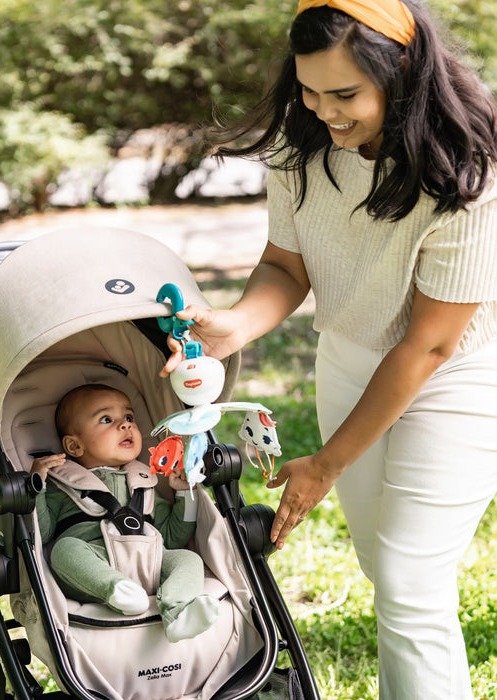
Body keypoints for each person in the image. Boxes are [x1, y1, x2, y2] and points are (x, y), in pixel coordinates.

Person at [160, 0, 497, 696]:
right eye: (309, 91)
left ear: (402, 72)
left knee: (409, 583)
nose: (324, 111)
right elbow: (286, 266)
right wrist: (237, 324)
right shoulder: (302, 145)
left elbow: (427, 346)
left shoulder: (466, 172)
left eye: (344, 94)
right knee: (385, 573)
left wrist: (324, 465)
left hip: (456, 375)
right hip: (348, 357)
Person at [31, 383, 219, 643]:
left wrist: (185, 493)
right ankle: (117, 590)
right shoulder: (62, 485)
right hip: (94, 564)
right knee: (64, 550)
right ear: (74, 446)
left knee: (188, 558)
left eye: (129, 417)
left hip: (149, 561)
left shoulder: (144, 482)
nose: (125, 425)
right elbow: (41, 533)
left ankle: (177, 611)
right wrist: (37, 487)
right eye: (106, 420)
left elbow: (174, 537)